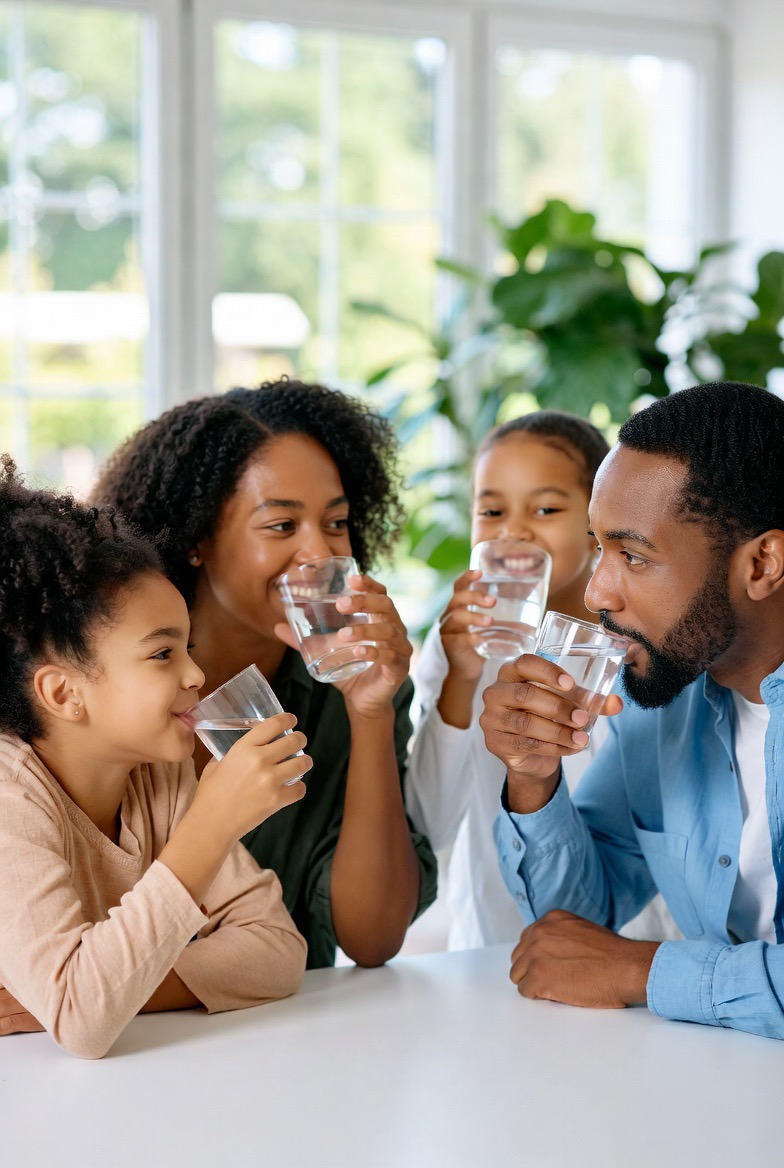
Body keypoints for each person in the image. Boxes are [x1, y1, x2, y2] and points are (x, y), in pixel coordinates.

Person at [94, 382, 437, 969]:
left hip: (287, 1036)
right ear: (199, 538)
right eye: (282, 526)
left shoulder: (353, 685)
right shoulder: (108, 680)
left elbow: (373, 938)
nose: (317, 553)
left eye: (336, 523)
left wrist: (372, 713)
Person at [483, 381, 784, 1040]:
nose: (596, 592)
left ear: (762, 562)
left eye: (633, 556)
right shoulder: (662, 707)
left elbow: (611, 964)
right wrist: (533, 778)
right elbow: (577, 927)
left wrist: (648, 972)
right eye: (598, 549)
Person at [0, 457, 308, 1059]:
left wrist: (108, 990)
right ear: (65, 693)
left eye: (185, 645)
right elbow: (85, 1024)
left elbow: (276, 950)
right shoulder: (10, 795)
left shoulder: (158, 771)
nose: (196, 672)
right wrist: (210, 827)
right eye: (162, 655)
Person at [406, 410, 676, 949]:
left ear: (597, 520)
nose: (514, 532)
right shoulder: (458, 645)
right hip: (490, 953)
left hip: (628, 952)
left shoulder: (644, 644)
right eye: (491, 510)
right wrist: (461, 677)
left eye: (546, 508)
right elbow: (426, 825)